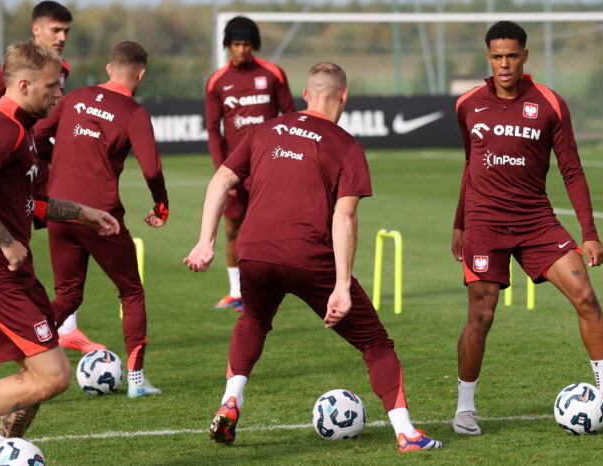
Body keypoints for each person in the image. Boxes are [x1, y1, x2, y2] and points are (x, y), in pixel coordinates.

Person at [185, 63, 442, 452]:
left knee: (254, 318)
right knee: (376, 344)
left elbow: (221, 179)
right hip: (309, 257)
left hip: (252, 251)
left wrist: (205, 241)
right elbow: (345, 216)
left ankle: (231, 400)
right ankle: (406, 433)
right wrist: (341, 286)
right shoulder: (347, 145)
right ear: (344, 97)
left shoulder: (263, 130)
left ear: (306, 94)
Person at [450, 21, 603, 435]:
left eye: (512, 55)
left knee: (586, 297)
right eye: (497, 56)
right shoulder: (468, 104)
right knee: (481, 315)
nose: (505, 64)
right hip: (485, 225)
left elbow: (572, 170)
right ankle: (464, 408)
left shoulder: (549, 104)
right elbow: (470, 167)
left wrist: (589, 231)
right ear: (489, 57)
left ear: (525, 56)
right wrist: (460, 224)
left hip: (536, 221)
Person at [0, 41, 119, 451]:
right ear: (22, 85)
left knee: (35, 381)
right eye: (50, 87)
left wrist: (83, 212)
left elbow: (28, 202)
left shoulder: (22, 130)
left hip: (16, 275)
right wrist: (4, 242)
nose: (58, 94)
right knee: (54, 376)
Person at [34, 41, 169, 399]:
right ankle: (137, 382)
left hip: (58, 212)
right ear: (141, 74)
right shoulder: (133, 112)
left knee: (67, 295)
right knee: (130, 291)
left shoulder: (75, 96)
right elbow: (152, 167)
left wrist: (52, 159)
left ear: (110, 69)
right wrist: (161, 204)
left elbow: (37, 135)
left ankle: (28, 349)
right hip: (101, 216)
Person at [0, 1, 104, 355]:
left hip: (28, 158)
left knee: (37, 215)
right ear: (37, 30)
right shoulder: (17, 75)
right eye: (55, 30)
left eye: (67, 31)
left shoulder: (58, 69)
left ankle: (66, 328)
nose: (62, 37)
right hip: (4, 162)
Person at [204, 15, 295, 311]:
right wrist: (223, 171)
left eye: (246, 44)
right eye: (235, 44)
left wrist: (286, 159)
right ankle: (235, 292)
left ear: (254, 44)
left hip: (270, 165)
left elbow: (290, 116)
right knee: (232, 230)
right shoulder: (217, 81)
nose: (241, 50)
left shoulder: (273, 74)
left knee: (273, 229)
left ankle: (273, 288)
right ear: (228, 46)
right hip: (235, 169)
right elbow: (212, 129)